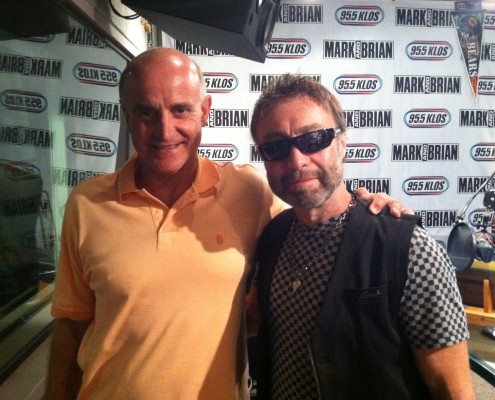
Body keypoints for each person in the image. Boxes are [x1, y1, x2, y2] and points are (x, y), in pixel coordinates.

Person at [43, 48, 409, 400]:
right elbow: (72, 325)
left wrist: (366, 206)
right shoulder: (86, 204)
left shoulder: (247, 191)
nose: (164, 130)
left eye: (180, 109)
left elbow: (313, 211)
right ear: (126, 113)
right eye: (146, 112)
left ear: (205, 111)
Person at [247, 74, 476, 400]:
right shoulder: (272, 237)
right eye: (276, 147)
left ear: (342, 142)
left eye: (314, 139)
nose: (296, 160)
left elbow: (453, 391)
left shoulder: (410, 249)